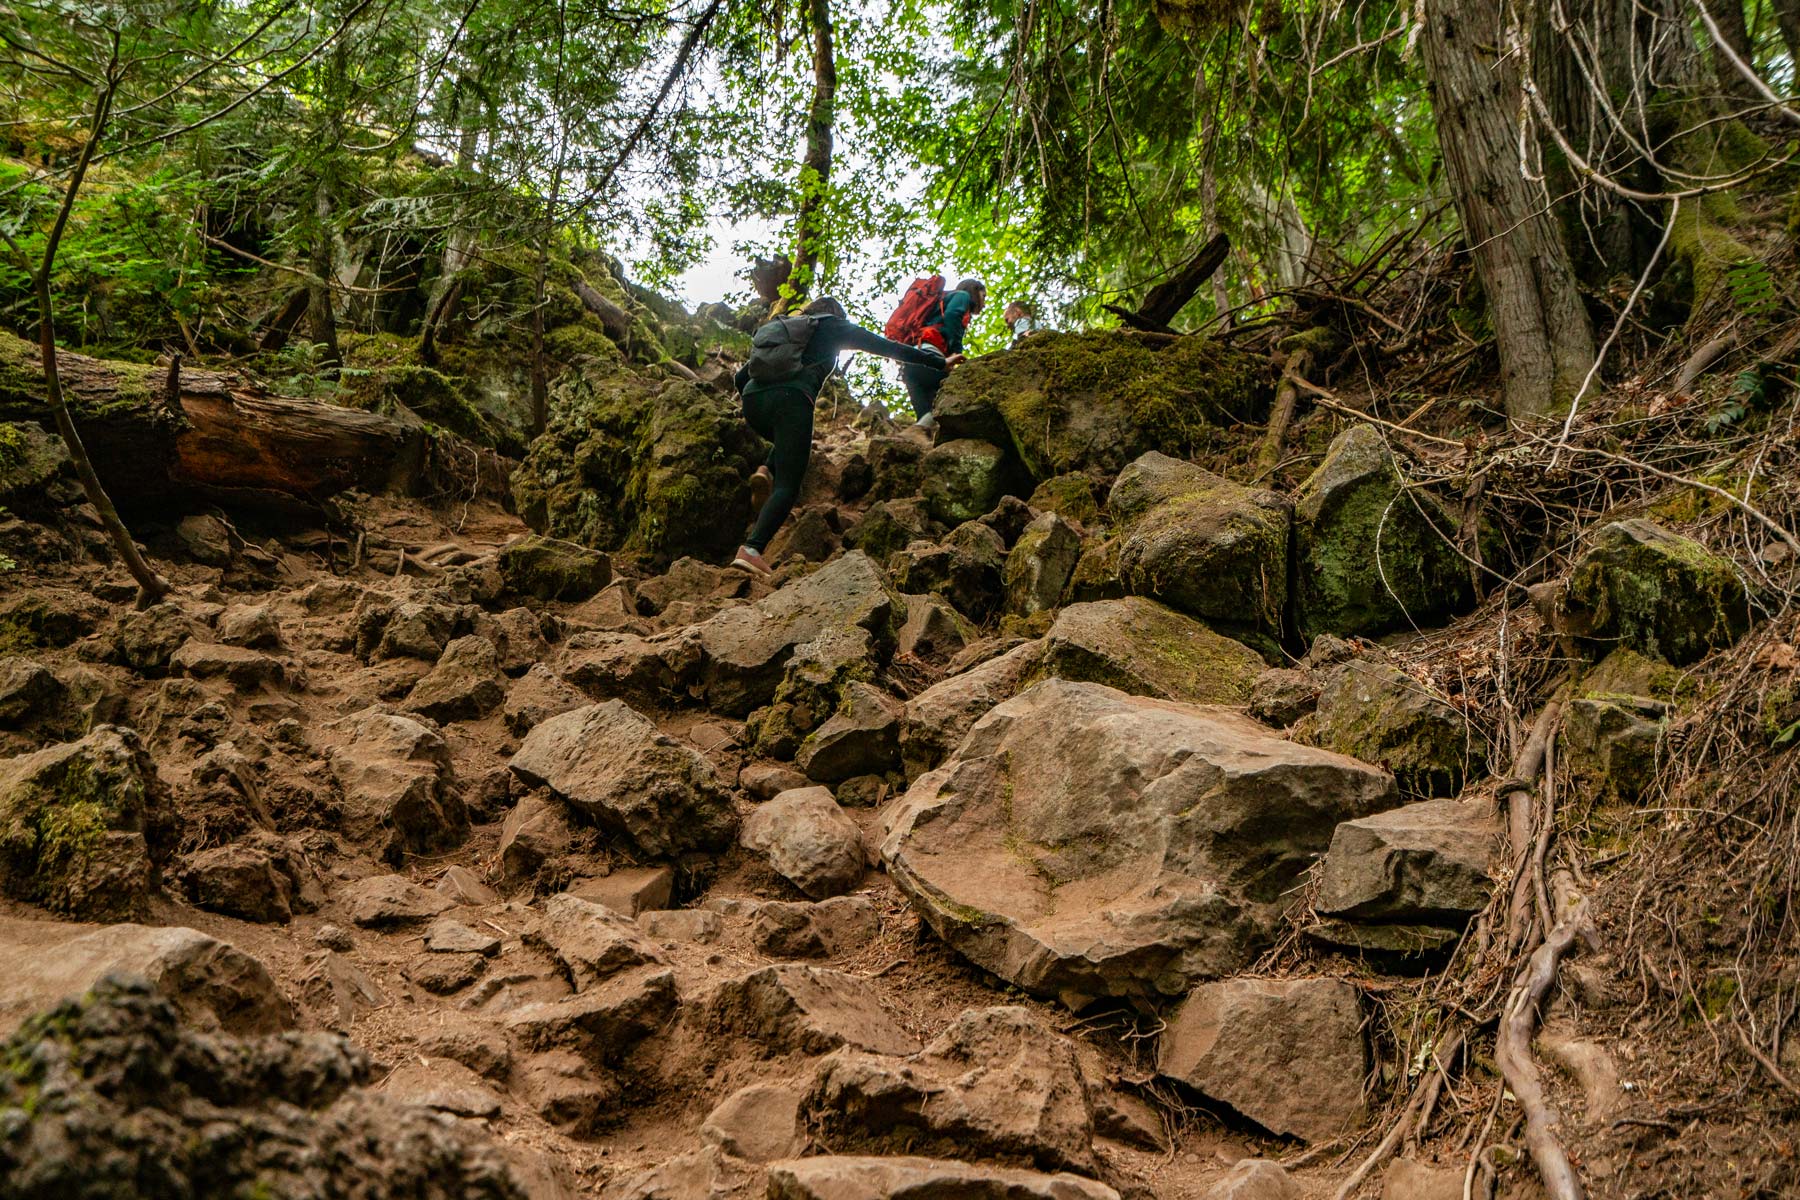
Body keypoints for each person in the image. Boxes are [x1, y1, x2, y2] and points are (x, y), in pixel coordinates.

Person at [732, 296, 954, 576]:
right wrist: (938, 362)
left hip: (753, 401)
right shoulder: (834, 326)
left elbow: (742, 377)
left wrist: (760, 400)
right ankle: (751, 550)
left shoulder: (789, 329)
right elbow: (888, 347)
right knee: (788, 485)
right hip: (792, 401)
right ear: (837, 314)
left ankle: (766, 467)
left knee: (785, 441)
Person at [900, 277, 984, 431]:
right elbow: (953, 315)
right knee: (959, 394)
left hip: (912, 361)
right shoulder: (962, 296)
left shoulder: (943, 300)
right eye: (983, 297)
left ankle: (912, 437)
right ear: (976, 291)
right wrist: (956, 350)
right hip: (930, 354)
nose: (984, 304)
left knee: (928, 414)